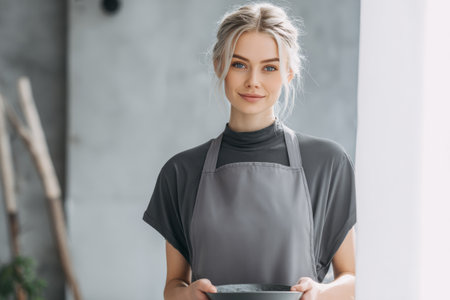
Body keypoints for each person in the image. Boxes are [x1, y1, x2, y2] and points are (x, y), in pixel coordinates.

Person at [142, 2, 357, 300]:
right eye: (239, 64)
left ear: (289, 74)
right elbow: (174, 285)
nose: (253, 81)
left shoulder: (328, 164)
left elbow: (353, 279)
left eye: (270, 67)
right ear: (219, 66)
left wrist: (320, 293)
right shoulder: (181, 172)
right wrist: (189, 294)